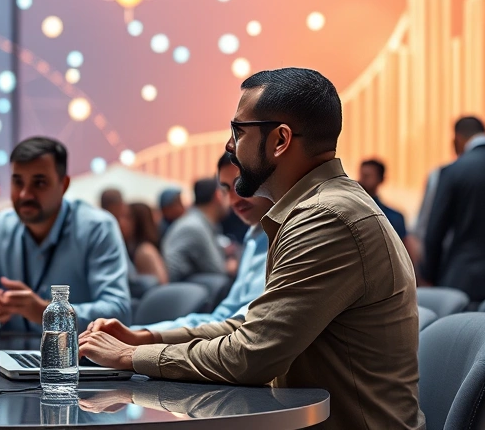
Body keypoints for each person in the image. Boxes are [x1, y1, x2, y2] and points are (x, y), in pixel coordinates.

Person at [80, 68, 423, 430]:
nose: (230, 146)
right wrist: (146, 338)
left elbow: (250, 356)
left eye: (238, 131)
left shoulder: (325, 219)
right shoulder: (318, 208)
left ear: (280, 140)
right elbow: (250, 328)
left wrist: (131, 355)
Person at [0, 136, 130, 332]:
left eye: (39, 183)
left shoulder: (97, 228)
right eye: (18, 182)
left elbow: (119, 311)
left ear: (64, 185)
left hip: (77, 351)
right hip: (11, 349)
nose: (25, 194)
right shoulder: (1, 226)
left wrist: (46, 312)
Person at [87, 152, 271, 336]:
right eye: (226, 189)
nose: (233, 198)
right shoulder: (208, 229)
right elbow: (223, 299)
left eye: (241, 184)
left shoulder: (268, 235)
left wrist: (143, 338)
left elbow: (243, 326)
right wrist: (139, 334)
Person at [421, 116, 485, 303]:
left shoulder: (452, 171)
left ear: (457, 139)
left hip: (464, 279)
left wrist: (430, 274)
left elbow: (435, 230)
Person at [415, 117, 485, 251]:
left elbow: (429, 228)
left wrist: (430, 263)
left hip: (462, 259)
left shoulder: (447, 173)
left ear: (457, 138)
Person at [161, 178, 230, 281]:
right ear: (218, 196)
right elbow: (218, 270)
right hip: (180, 287)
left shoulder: (198, 222)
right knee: (222, 282)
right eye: (227, 194)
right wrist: (234, 265)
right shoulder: (195, 227)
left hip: (187, 284)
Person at [358, 159, 408, 240]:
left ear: (381, 179)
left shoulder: (394, 218)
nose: (362, 180)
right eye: (361, 175)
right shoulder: (352, 210)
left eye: (367, 176)